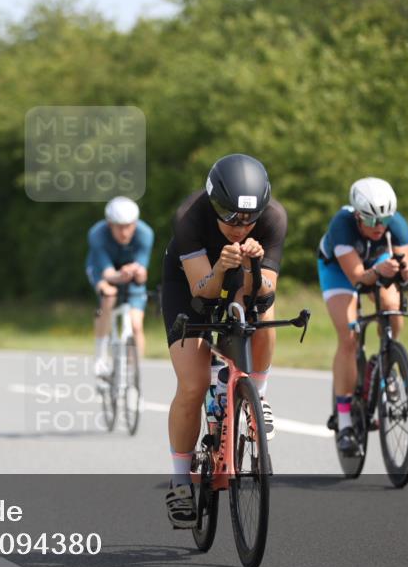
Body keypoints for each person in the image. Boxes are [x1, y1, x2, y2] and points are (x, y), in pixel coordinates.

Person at [160, 154, 287, 528]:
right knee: (194, 384)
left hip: (240, 283)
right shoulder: (190, 216)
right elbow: (202, 294)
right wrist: (221, 266)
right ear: (215, 205)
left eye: (248, 220)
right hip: (190, 285)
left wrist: (251, 267)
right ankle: (181, 480)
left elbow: (265, 294)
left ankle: (257, 394)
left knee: (261, 316)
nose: (240, 226)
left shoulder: (274, 219)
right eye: (230, 217)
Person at [317, 177, 408, 455]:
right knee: (349, 336)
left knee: (392, 308)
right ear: (358, 215)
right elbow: (358, 278)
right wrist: (380, 273)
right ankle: (345, 420)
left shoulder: (396, 224)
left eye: (383, 220)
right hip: (339, 271)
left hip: (375, 264)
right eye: (371, 221)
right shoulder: (342, 226)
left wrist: (407, 272)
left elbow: (406, 266)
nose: (379, 227)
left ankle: (386, 357)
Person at [85, 196, 155, 376]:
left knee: (136, 324)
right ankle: (100, 356)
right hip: (103, 270)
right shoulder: (97, 234)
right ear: (110, 224)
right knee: (109, 296)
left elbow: (142, 273)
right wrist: (122, 274)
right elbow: (108, 274)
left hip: (129, 273)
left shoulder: (145, 234)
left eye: (129, 226)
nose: (125, 232)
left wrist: (137, 273)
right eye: (119, 226)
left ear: (135, 223)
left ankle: (134, 373)